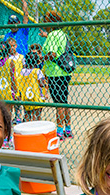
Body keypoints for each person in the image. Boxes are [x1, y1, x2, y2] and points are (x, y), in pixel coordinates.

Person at [41, 11, 73, 140]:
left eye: (45, 21)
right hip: (64, 72)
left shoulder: (53, 35)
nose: (44, 24)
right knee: (64, 101)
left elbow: (53, 53)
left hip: (55, 73)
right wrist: (46, 35)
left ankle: (59, 130)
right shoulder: (61, 34)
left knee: (59, 103)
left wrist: (42, 58)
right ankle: (68, 129)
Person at [17, 51, 48, 122]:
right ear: (37, 61)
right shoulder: (37, 71)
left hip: (26, 97)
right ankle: (35, 127)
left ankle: (27, 127)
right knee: (37, 115)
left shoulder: (23, 71)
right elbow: (41, 84)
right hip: (36, 97)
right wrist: (45, 83)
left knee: (27, 114)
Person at [0, 42, 18, 116]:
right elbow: (12, 77)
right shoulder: (10, 62)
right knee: (8, 112)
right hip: (8, 91)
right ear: (9, 50)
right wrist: (16, 90)